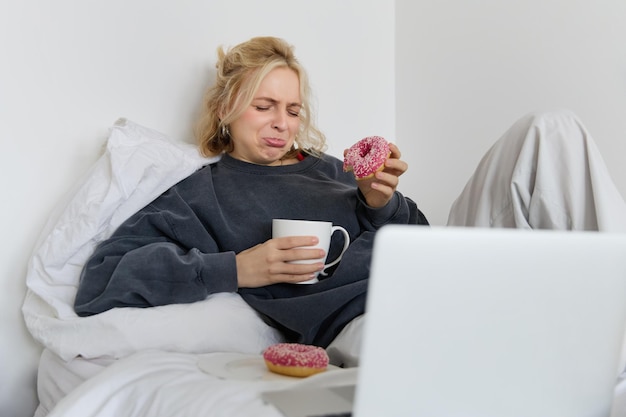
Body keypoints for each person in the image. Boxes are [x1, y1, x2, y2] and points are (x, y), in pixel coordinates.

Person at [74, 36, 429, 347]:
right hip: (361, 325)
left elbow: (427, 245)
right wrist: (236, 270)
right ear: (225, 108)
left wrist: (381, 204)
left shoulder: (335, 169)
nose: (282, 123)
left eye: (293, 111)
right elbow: (101, 279)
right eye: (263, 107)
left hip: (418, 289)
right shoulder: (197, 194)